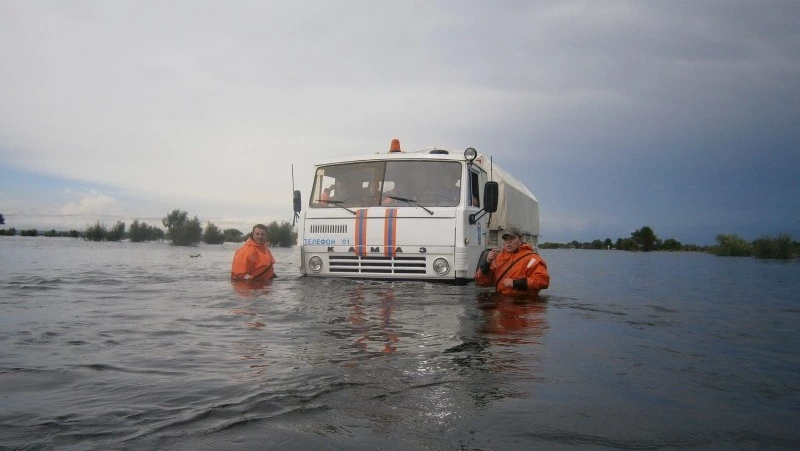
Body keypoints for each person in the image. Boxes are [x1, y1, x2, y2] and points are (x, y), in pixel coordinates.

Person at [475, 227, 549, 295]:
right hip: (501, 302)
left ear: (520, 239)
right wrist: (487, 263)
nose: (508, 242)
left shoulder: (533, 259)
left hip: (523, 303)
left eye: (512, 238)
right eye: (506, 239)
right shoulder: (498, 258)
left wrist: (515, 283)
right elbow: (482, 283)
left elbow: (543, 281)